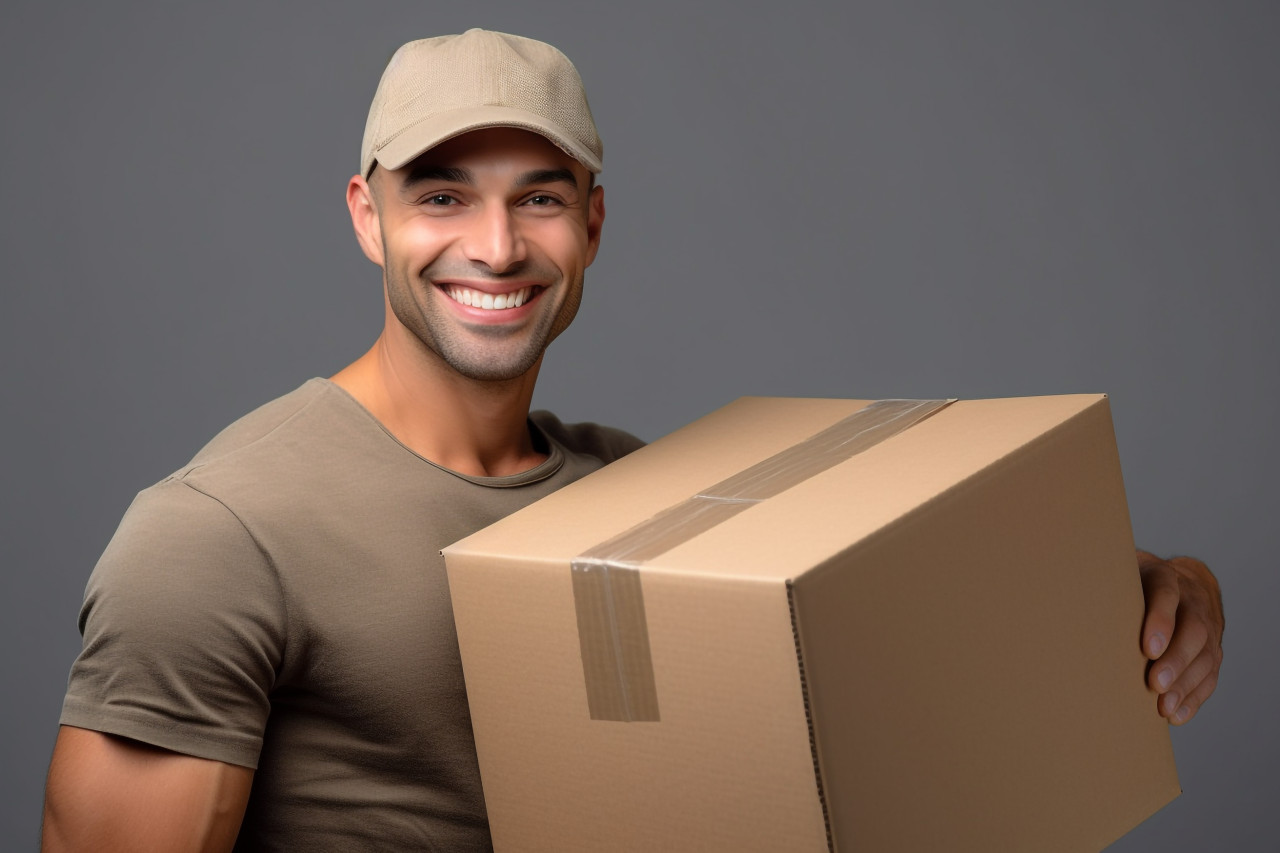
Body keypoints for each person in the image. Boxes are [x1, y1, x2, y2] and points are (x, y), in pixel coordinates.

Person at [40, 28, 1225, 852]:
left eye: (539, 196)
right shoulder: (220, 535)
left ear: (592, 222)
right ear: (367, 215)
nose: (496, 247)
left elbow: (895, 652)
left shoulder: (637, 495)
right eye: (443, 195)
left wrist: (1130, 595)